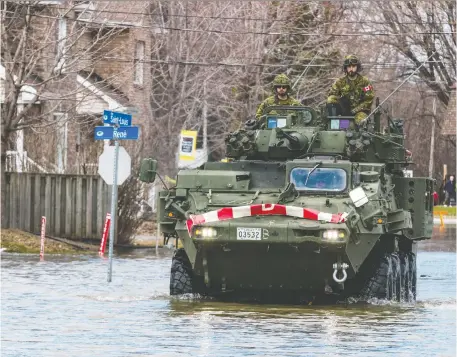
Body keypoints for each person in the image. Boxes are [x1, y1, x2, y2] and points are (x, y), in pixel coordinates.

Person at [327, 55, 375, 124]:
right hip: (344, 111)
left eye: (353, 66)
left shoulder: (365, 82)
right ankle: (333, 123)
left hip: (360, 112)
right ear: (346, 68)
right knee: (330, 99)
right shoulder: (340, 82)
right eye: (349, 67)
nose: (351, 69)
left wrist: (355, 110)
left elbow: (368, 99)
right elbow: (332, 96)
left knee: (361, 122)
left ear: (357, 67)